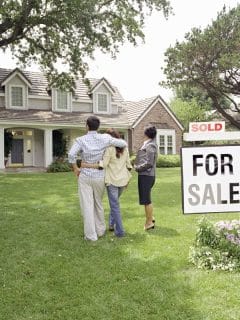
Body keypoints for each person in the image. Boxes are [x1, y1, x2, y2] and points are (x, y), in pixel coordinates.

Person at [68, 116, 127, 241]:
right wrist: (110, 144)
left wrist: (75, 168)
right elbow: (123, 143)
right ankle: (100, 231)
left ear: (87, 126)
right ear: (98, 127)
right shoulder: (105, 138)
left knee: (87, 205)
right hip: (99, 176)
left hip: (85, 176)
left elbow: (71, 154)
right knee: (98, 204)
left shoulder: (81, 140)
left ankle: (91, 235)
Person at [82, 128, 132, 237]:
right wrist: (128, 180)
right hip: (123, 181)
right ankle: (111, 224)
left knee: (115, 206)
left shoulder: (109, 149)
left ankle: (120, 231)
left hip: (112, 182)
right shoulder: (125, 148)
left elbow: (103, 164)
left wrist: (87, 165)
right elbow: (129, 165)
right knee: (115, 204)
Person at [134, 126, 157, 231]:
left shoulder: (150, 145)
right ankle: (151, 218)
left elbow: (149, 163)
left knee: (146, 200)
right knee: (147, 199)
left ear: (146, 134)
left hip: (146, 176)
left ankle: (149, 223)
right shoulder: (148, 144)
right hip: (146, 176)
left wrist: (138, 168)